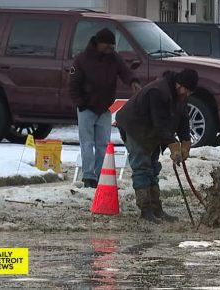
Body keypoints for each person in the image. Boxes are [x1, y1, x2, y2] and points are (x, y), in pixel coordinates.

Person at [115, 69, 198, 224]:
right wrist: (173, 145)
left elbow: (182, 119)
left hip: (151, 131)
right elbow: (160, 122)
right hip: (136, 127)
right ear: (178, 84)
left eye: (189, 92)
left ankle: (156, 209)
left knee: (153, 168)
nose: (186, 94)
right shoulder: (158, 91)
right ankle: (145, 210)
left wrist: (185, 143)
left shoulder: (181, 95)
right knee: (142, 168)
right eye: (185, 89)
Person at [69, 28, 140, 188]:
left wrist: (133, 81)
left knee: (103, 144)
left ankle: (100, 175)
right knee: (86, 143)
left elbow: (125, 72)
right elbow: (73, 84)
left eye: (112, 47)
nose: (110, 50)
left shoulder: (114, 58)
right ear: (98, 43)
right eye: (107, 46)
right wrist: (80, 103)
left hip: (104, 108)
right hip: (86, 108)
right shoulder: (81, 60)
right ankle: (88, 176)